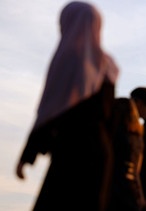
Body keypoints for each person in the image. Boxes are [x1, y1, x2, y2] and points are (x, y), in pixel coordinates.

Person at [15, 1, 119, 210]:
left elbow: (51, 108)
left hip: (71, 152)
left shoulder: (69, 58)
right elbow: (109, 117)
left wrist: (28, 155)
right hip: (100, 153)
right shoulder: (107, 65)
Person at [108, 98, 145, 211]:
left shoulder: (111, 135)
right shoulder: (138, 138)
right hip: (130, 190)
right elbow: (136, 171)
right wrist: (141, 196)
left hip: (113, 188)